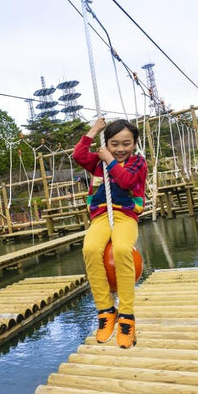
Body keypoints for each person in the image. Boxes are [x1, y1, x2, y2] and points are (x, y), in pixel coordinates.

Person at [72, 118, 147, 349]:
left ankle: (126, 316)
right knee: (90, 249)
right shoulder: (98, 162)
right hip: (101, 215)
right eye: (115, 144)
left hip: (125, 215)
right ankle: (106, 311)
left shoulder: (138, 163)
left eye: (126, 143)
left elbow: (125, 182)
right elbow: (78, 155)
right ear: (107, 143)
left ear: (134, 143)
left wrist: (110, 159)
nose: (121, 149)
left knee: (123, 249)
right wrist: (94, 130)